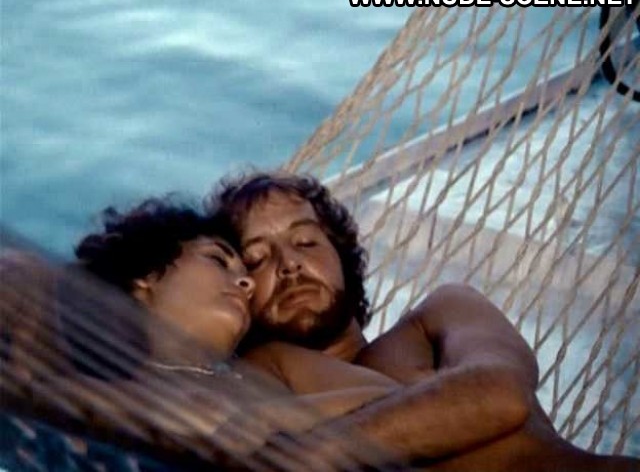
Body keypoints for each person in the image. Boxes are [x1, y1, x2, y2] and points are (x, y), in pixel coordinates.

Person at [208, 171, 639, 471]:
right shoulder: (265, 369)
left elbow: (501, 395)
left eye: (306, 241)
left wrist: (318, 451)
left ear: (341, 255)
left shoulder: (443, 311)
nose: (289, 264)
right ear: (240, 288)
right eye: (257, 258)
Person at [1, 198, 407, 471]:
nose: (246, 284)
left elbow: (396, 399)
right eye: (218, 260)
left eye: (246, 273)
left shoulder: (269, 364)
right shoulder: (92, 381)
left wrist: (265, 418)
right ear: (146, 277)